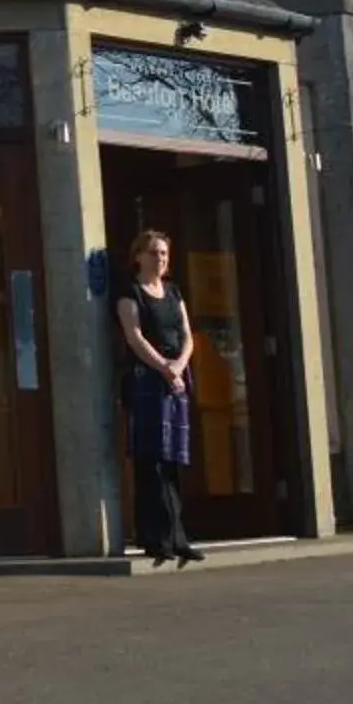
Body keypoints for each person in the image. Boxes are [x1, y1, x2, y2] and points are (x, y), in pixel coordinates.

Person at [114, 228, 204, 567]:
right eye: (153, 252)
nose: (160, 259)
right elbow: (135, 337)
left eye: (164, 253)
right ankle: (155, 539)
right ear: (138, 256)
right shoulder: (130, 294)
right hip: (146, 381)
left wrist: (179, 365)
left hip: (175, 381)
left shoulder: (173, 292)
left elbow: (187, 334)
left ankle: (179, 539)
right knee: (150, 461)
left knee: (172, 461)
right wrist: (164, 368)